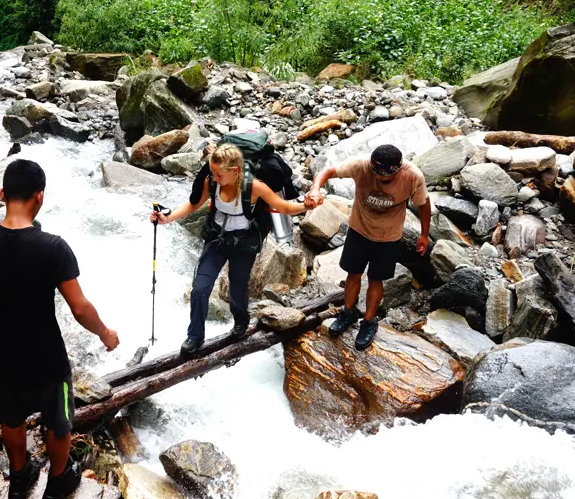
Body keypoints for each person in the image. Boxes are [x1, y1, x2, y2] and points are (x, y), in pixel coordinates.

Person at [0, 159, 120, 499]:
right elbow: (79, 308)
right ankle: (58, 481)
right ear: (39, 197)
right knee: (58, 420)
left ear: (2, 194)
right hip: (46, 357)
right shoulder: (53, 247)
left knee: (11, 416)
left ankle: (19, 478)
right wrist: (105, 333)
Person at [151, 144, 319, 357]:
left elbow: (283, 207)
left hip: (243, 243)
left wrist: (306, 206)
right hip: (217, 239)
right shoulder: (212, 182)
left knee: (238, 286)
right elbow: (193, 204)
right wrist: (167, 218)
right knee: (200, 289)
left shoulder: (254, 187)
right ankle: (195, 336)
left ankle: (240, 323)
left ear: (235, 171)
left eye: (219, 174)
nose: (214, 177)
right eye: (212, 172)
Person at [307, 144, 430, 350]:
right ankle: (347, 313)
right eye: (376, 174)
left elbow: (424, 203)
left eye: (386, 178)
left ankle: (369, 322)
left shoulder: (412, 176)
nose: (380, 179)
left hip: (388, 237)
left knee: (376, 279)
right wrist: (315, 189)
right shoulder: (361, 165)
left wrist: (424, 235)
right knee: (353, 274)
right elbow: (328, 171)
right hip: (359, 230)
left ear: (397, 169)